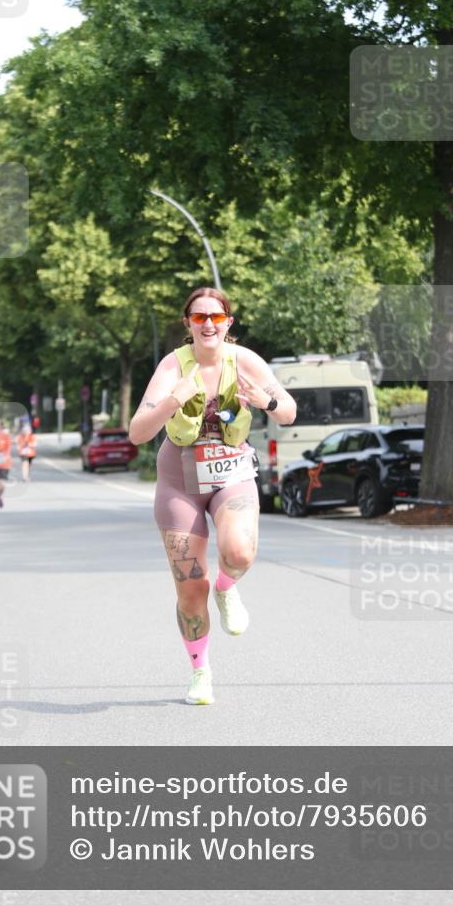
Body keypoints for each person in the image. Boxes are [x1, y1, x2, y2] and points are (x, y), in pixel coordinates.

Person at [128, 286, 296, 705]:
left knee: (239, 552)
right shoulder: (173, 365)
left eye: (216, 317)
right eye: (199, 317)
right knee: (190, 589)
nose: (208, 324)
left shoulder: (245, 361)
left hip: (230, 472)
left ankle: (226, 587)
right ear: (188, 323)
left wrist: (266, 401)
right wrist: (172, 401)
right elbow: (138, 433)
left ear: (227, 323)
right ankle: (200, 672)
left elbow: (289, 412)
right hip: (179, 480)